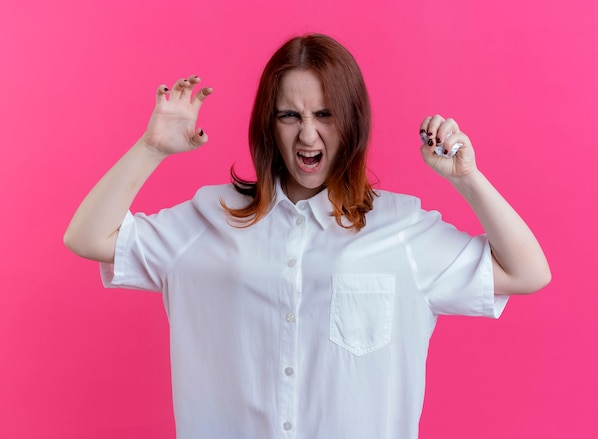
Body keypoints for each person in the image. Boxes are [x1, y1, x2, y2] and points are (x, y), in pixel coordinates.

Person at [64, 34, 551, 439]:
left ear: (352, 121)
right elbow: (87, 238)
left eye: (324, 114)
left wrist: (466, 178)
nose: (308, 136)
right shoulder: (209, 219)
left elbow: (527, 272)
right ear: (268, 125)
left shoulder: (402, 230)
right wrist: (151, 148)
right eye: (290, 116)